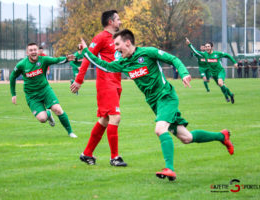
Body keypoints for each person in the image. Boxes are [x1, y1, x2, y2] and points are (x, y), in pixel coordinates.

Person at [78, 29, 234, 181]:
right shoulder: (123, 62)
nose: (116, 48)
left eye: (117, 44)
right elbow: (104, 65)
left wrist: (184, 72)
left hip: (166, 96)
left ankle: (169, 169)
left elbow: (173, 59)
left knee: (160, 129)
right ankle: (222, 136)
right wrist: (86, 51)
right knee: (186, 137)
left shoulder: (148, 52)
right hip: (155, 104)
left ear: (127, 42)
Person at [70, 10, 127, 166]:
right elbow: (87, 58)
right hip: (106, 83)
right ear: (110, 22)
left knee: (105, 119)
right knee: (115, 117)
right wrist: (79, 79)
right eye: (118, 19)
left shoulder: (117, 39)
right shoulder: (100, 38)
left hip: (116, 82)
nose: (120, 22)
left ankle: (87, 154)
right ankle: (114, 157)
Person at [10, 42, 77, 138]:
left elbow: (56, 60)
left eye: (35, 50)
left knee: (57, 109)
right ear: (27, 53)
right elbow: (12, 76)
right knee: (42, 119)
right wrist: (13, 94)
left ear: (38, 51)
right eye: (31, 50)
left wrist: (66, 59)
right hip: (32, 96)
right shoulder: (22, 64)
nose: (33, 52)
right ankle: (48, 114)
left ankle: (70, 132)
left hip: (45, 90)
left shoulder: (43, 60)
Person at [186, 38, 237, 104]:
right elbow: (195, 51)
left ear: (212, 47)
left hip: (220, 71)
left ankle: (228, 96)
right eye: (206, 47)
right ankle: (230, 95)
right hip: (213, 74)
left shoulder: (217, 54)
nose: (207, 48)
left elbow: (227, 55)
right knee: (221, 86)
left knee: (220, 83)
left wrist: (234, 62)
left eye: (208, 46)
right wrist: (189, 44)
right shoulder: (204, 54)